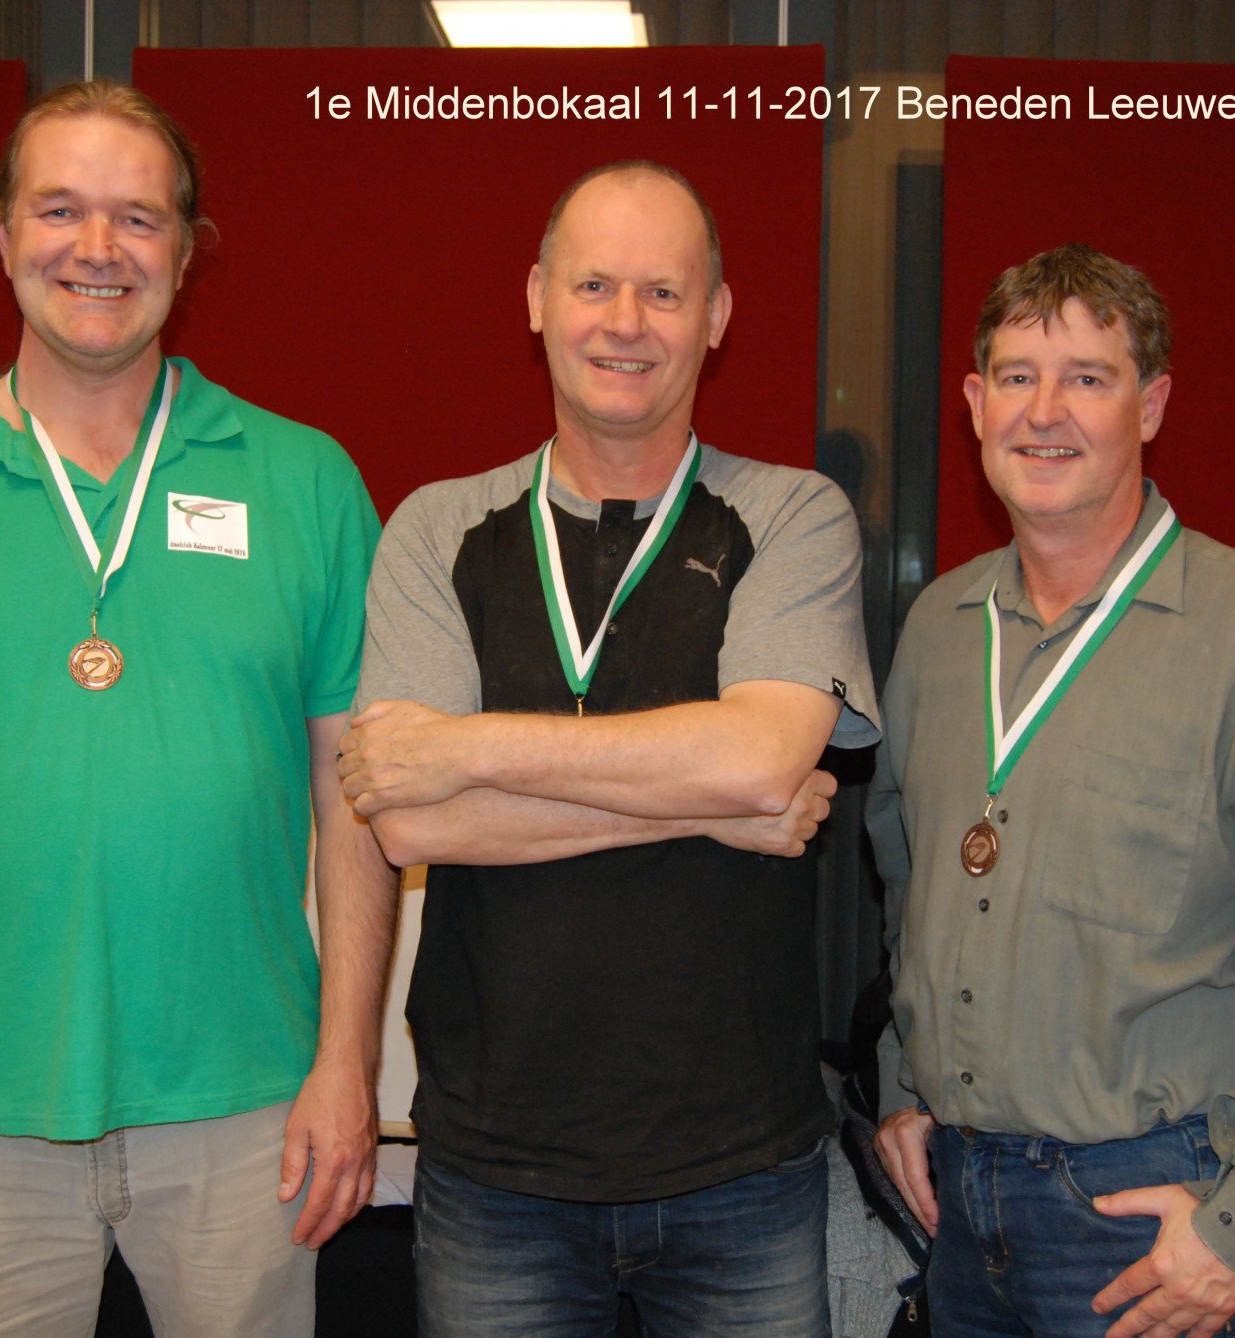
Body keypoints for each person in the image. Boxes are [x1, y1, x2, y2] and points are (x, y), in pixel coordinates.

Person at [0, 80, 394, 1336]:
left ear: (187, 249)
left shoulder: (307, 482)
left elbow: (356, 799)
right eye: (59, 210)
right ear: (0, 230)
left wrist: (348, 1066)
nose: (98, 248)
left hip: (247, 1110)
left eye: (138, 217)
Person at [337, 160, 879, 1335]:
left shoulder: (793, 515)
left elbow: (760, 759)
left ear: (715, 317)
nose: (624, 322)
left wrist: (470, 748)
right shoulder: (437, 528)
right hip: (494, 1171)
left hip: (742, 1166)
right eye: (592, 285)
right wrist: (709, 804)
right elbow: (412, 820)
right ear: (536, 298)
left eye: (662, 292)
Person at [868, 243, 1235, 1338]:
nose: (1043, 412)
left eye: (1087, 378)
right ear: (974, 402)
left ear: (1149, 406)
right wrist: (906, 1085)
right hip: (959, 1204)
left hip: (1153, 1210)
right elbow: (910, 885)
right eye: (1016, 376)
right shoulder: (936, 633)